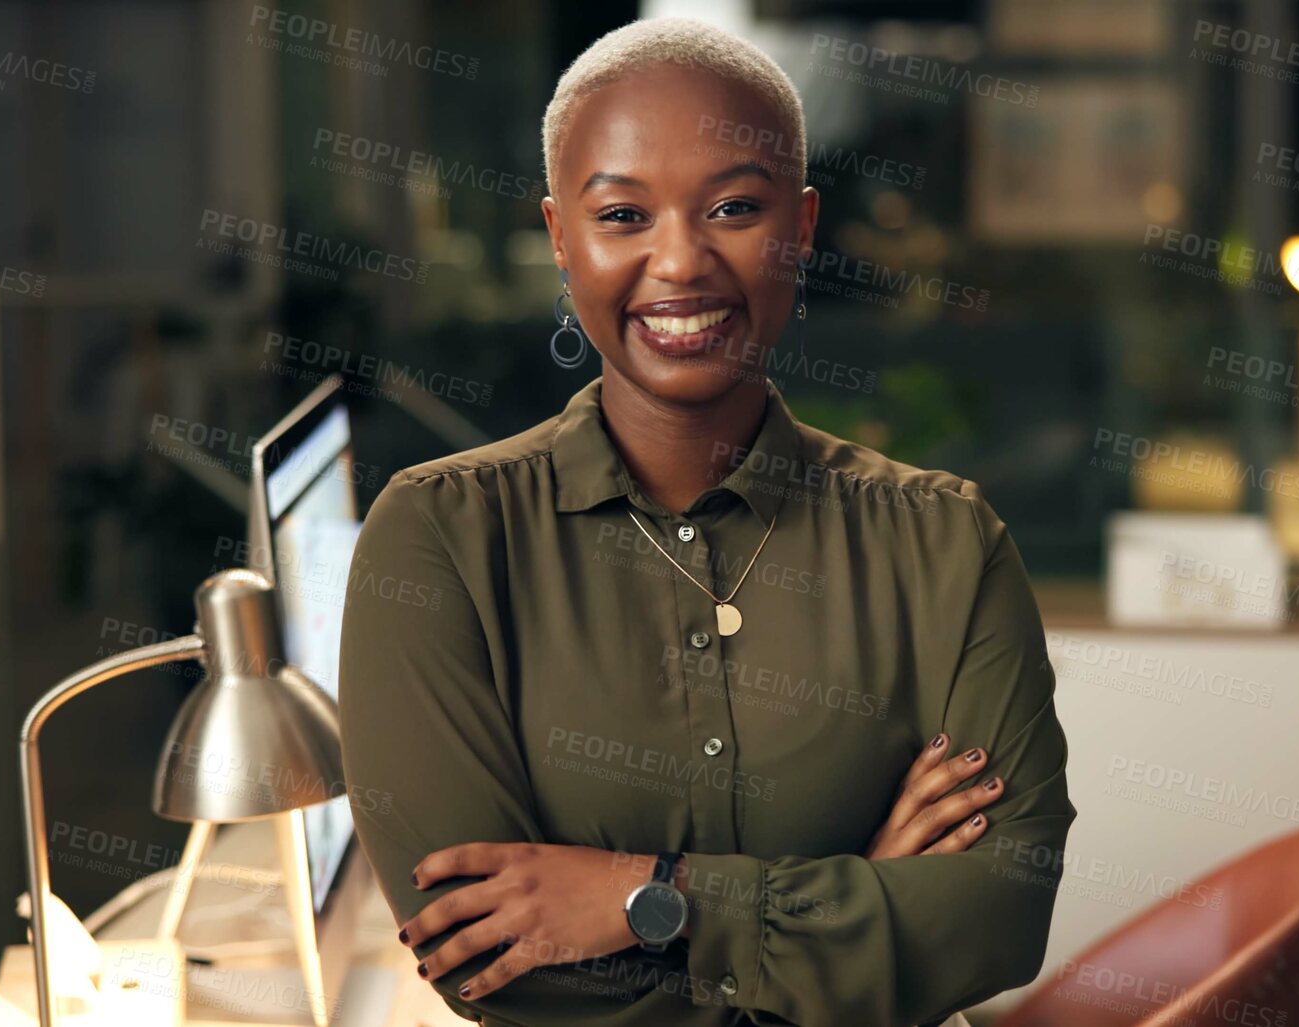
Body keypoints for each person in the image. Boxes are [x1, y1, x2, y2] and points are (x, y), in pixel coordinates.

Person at [338, 17, 1074, 1026]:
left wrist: (647, 898)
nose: (680, 262)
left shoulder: (945, 545)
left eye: (732, 207)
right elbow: (486, 962)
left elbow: (997, 916)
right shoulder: (440, 540)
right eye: (623, 216)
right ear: (561, 236)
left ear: (804, 226)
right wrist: (859, 906)